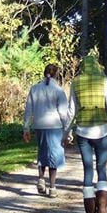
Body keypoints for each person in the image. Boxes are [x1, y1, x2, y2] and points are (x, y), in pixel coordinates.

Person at [66, 55, 107, 213]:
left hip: (83, 131)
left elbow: (72, 110)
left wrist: (66, 132)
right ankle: (103, 211)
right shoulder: (104, 80)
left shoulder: (76, 82)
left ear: (82, 67)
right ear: (97, 66)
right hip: (101, 130)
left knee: (87, 170)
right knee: (102, 168)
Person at [23, 63, 70, 197]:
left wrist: (26, 127)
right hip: (54, 126)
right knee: (54, 155)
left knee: (42, 152)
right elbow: (63, 113)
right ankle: (53, 187)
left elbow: (28, 109)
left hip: (39, 125)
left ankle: (41, 179)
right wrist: (68, 131)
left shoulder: (35, 88)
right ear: (56, 74)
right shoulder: (59, 90)